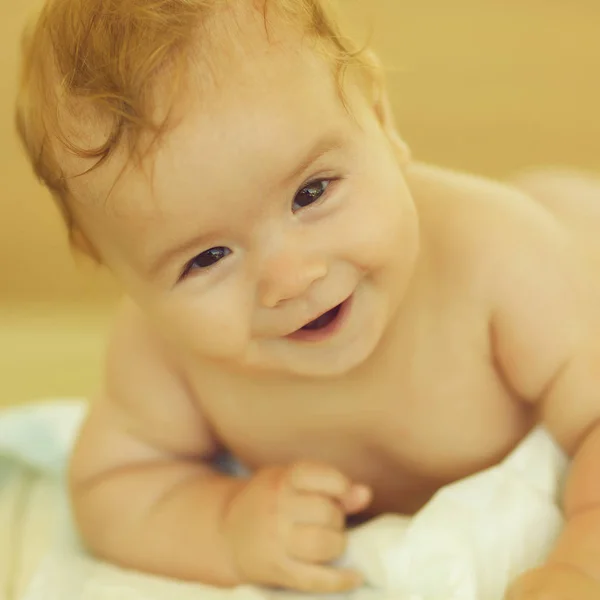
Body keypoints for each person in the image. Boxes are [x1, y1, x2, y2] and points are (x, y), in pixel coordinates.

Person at [15, 0, 600, 597]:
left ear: (380, 118)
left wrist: (580, 564)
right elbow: (114, 486)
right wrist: (226, 524)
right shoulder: (163, 349)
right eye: (207, 259)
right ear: (119, 270)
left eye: (312, 193)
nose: (290, 279)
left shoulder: (500, 264)